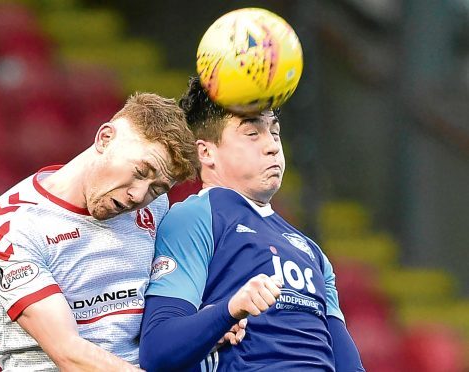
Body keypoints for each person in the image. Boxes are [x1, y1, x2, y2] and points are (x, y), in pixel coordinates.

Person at [139, 77, 365, 371]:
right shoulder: (196, 217)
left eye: (275, 132)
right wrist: (230, 310)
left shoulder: (311, 251)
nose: (272, 145)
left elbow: (349, 365)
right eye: (252, 133)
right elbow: (157, 351)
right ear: (206, 152)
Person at [0, 92, 200, 370]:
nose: (138, 195)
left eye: (157, 188)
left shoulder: (155, 208)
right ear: (105, 138)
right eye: (141, 172)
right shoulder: (12, 223)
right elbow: (68, 353)